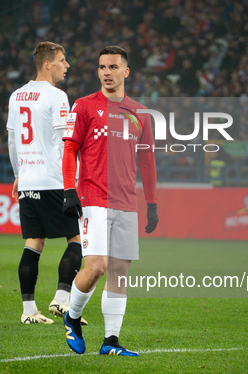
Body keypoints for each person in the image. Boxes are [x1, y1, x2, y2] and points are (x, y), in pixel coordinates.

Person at [61, 46, 159, 357]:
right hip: (93, 198)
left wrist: (152, 203)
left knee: (120, 271)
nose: (107, 72)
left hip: (127, 202)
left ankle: (111, 340)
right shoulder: (84, 106)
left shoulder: (141, 113)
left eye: (113, 67)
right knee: (97, 267)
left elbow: (147, 161)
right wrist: (68, 190)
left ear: (126, 72)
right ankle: (71, 316)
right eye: (102, 67)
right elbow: (69, 151)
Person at [7, 41, 85, 325]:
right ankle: (62, 299)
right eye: (63, 60)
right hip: (53, 179)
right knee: (77, 239)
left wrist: (18, 173)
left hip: (28, 178)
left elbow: (12, 142)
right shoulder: (56, 96)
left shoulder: (16, 96)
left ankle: (28, 310)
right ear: (47, 63)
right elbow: (66, 143)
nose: (67, 65)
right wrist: (71, 183)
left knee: (33, 242)